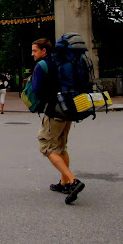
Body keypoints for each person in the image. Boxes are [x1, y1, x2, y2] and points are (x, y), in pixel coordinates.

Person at [31, 38, 85, 205]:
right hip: (68, 108)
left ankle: (73, 180)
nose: (32, 53)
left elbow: (37, 90)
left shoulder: (42, 65)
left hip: (53, 110)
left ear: (43, 51)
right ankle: (64, 183)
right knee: (61, 147)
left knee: (46, 146)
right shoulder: (60, 62)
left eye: (35, 50)